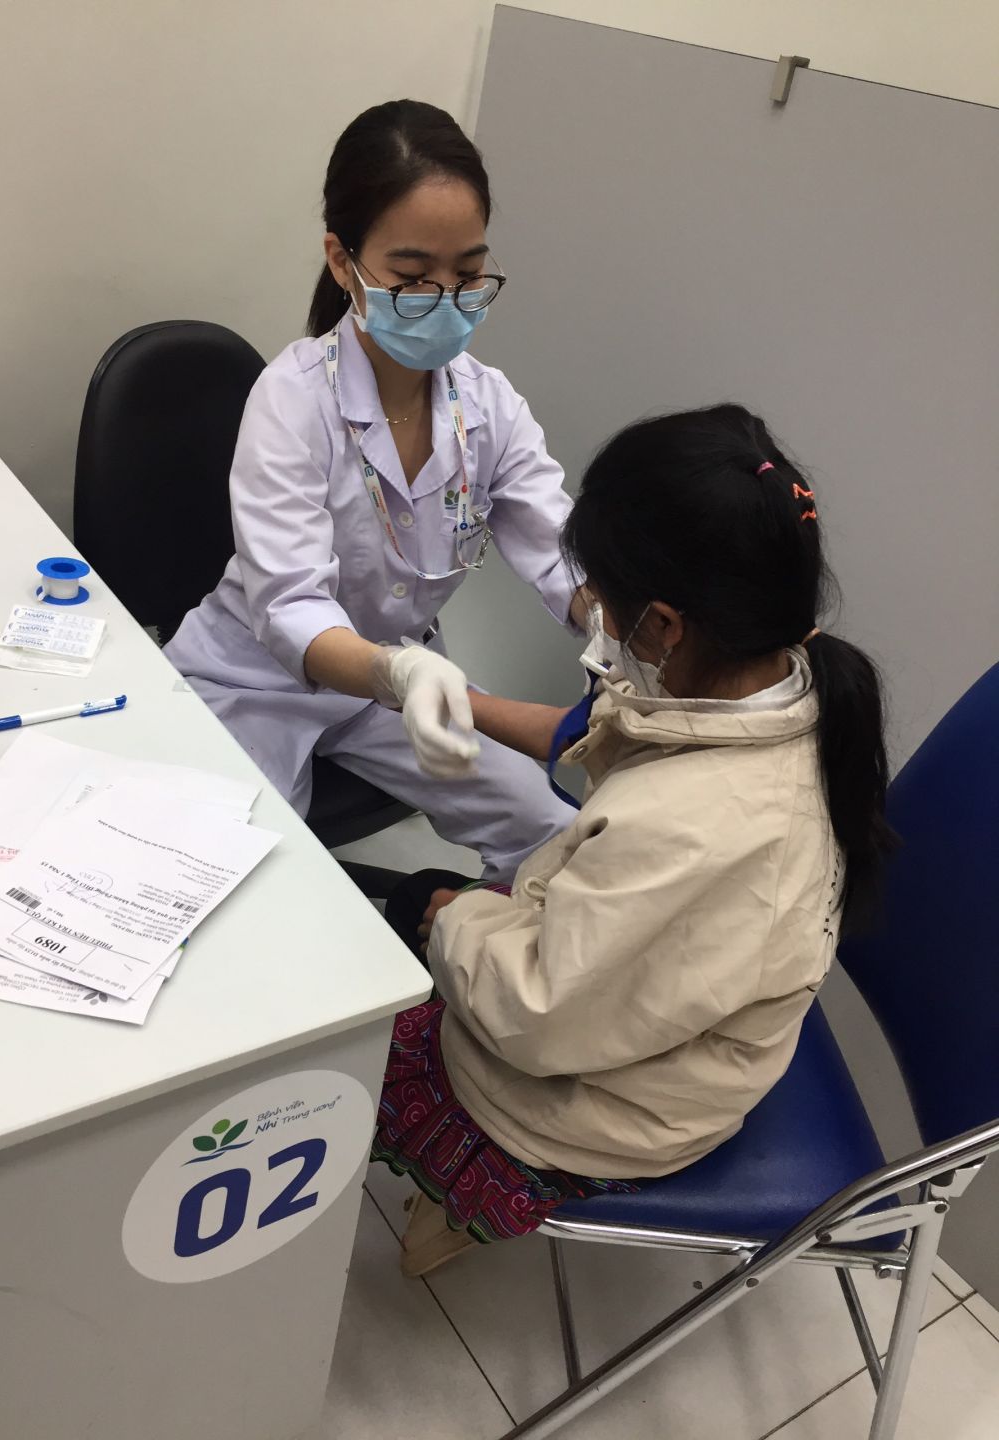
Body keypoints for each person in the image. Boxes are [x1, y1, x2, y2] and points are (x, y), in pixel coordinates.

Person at [371, 404, 896, 1277]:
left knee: (388, 960)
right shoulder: (782, 686)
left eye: (604, 605)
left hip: (603, 1105)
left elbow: (537, 1016)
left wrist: (456, 919)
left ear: (664, 626)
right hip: (665, 1016)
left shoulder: (700, 827)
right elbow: (595, 729)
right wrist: (443, 692)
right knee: (436, 897)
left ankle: (454, 1204)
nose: (600, 629)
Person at [164, 100, 582, 881]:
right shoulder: (292, 399)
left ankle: (465, 943)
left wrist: (648, 629)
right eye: (414, 276)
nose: (447, 299)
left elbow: (564, 554)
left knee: (558, 839)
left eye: (468, 274)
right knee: (235, 880)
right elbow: (291, 606)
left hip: (395, 685)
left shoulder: (488, 406)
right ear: (342, 259)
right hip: (257, 679)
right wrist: (399, 673)